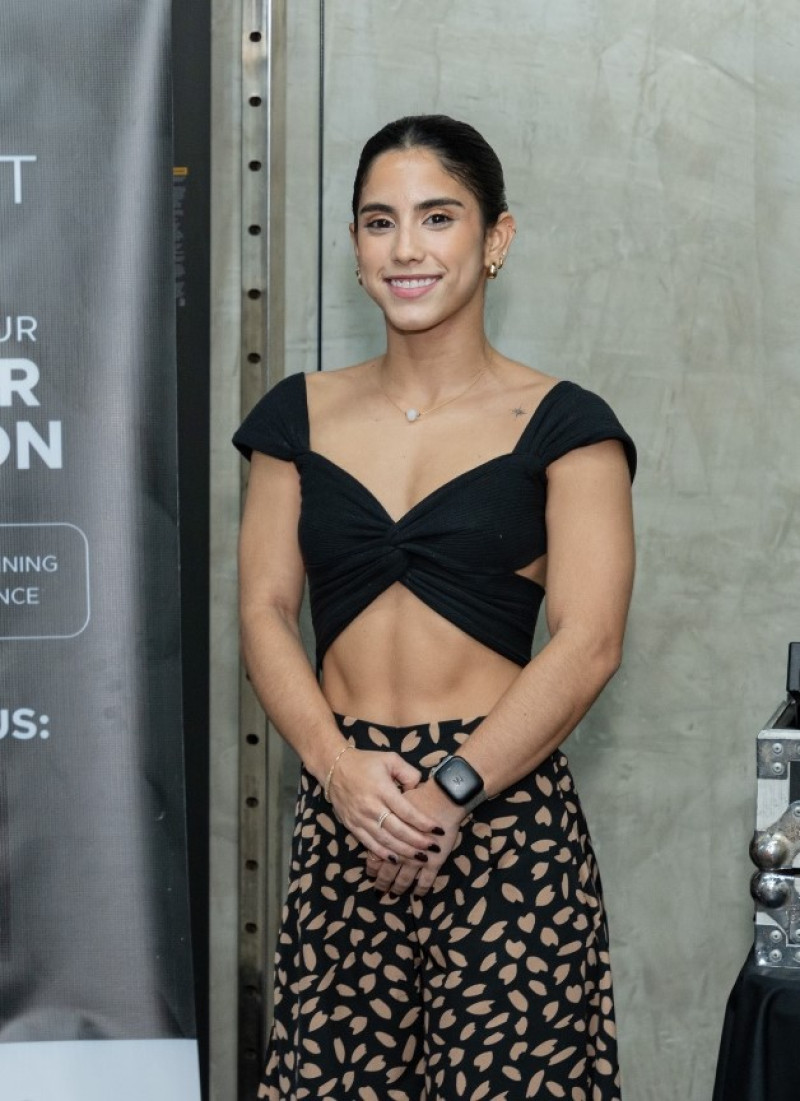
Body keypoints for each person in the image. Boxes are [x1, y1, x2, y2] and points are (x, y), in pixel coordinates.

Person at [234, 114, 636, 1101]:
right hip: (346, 817)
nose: (405, 248)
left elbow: (586, 645)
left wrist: (450, 789)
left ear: (494, 239)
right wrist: (337, 770)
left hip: (506, 825)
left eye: (436, 217)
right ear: (355, 247)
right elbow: (261, 611)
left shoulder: (566, 425)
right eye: (378, 222)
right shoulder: (294, 415)